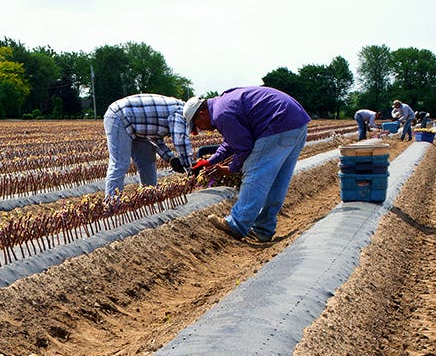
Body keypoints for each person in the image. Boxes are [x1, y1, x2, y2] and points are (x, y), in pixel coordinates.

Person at [186, 86, 310, 243]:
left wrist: (230, 169)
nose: (200, 130)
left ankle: (237, 224)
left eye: (197, 126)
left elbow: (244, 148)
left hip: (277, 123)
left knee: (255, 173)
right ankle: (263, 229)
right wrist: (210, 161)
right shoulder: (222, 105)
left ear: (202, 114)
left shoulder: (221, 114)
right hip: (297, 123)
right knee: (278, 180)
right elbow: (232, 141)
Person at [103, 93, 195, 197]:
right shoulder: (182, 114)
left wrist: (170, 158)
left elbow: (154, 135)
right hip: (119, 116)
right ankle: (111, 204)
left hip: (137, 126)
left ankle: (148, 198)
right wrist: (191, 169)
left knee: (147, 160)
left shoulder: (180, 110)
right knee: (120, 163)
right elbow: (180, 141)